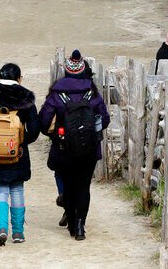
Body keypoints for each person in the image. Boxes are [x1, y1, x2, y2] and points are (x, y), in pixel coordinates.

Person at [39, 51, 110, 241]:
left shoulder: (57, 93)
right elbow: (104, 119)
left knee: (69, 186)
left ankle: (71, 223)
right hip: (88, 149)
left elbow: (44, 121)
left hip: (63, 148)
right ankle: (80, 226)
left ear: (68, 71)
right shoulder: (92, 92)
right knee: (83, 187)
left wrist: (54, 135)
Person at [0, 63, 40, 246]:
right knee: (17, 189)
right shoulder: (26, 98)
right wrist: (21, 141)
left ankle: (1, 228)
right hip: (17, 152)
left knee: (0, 190)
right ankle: (18, 232)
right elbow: (35, 129)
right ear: (19, 78)